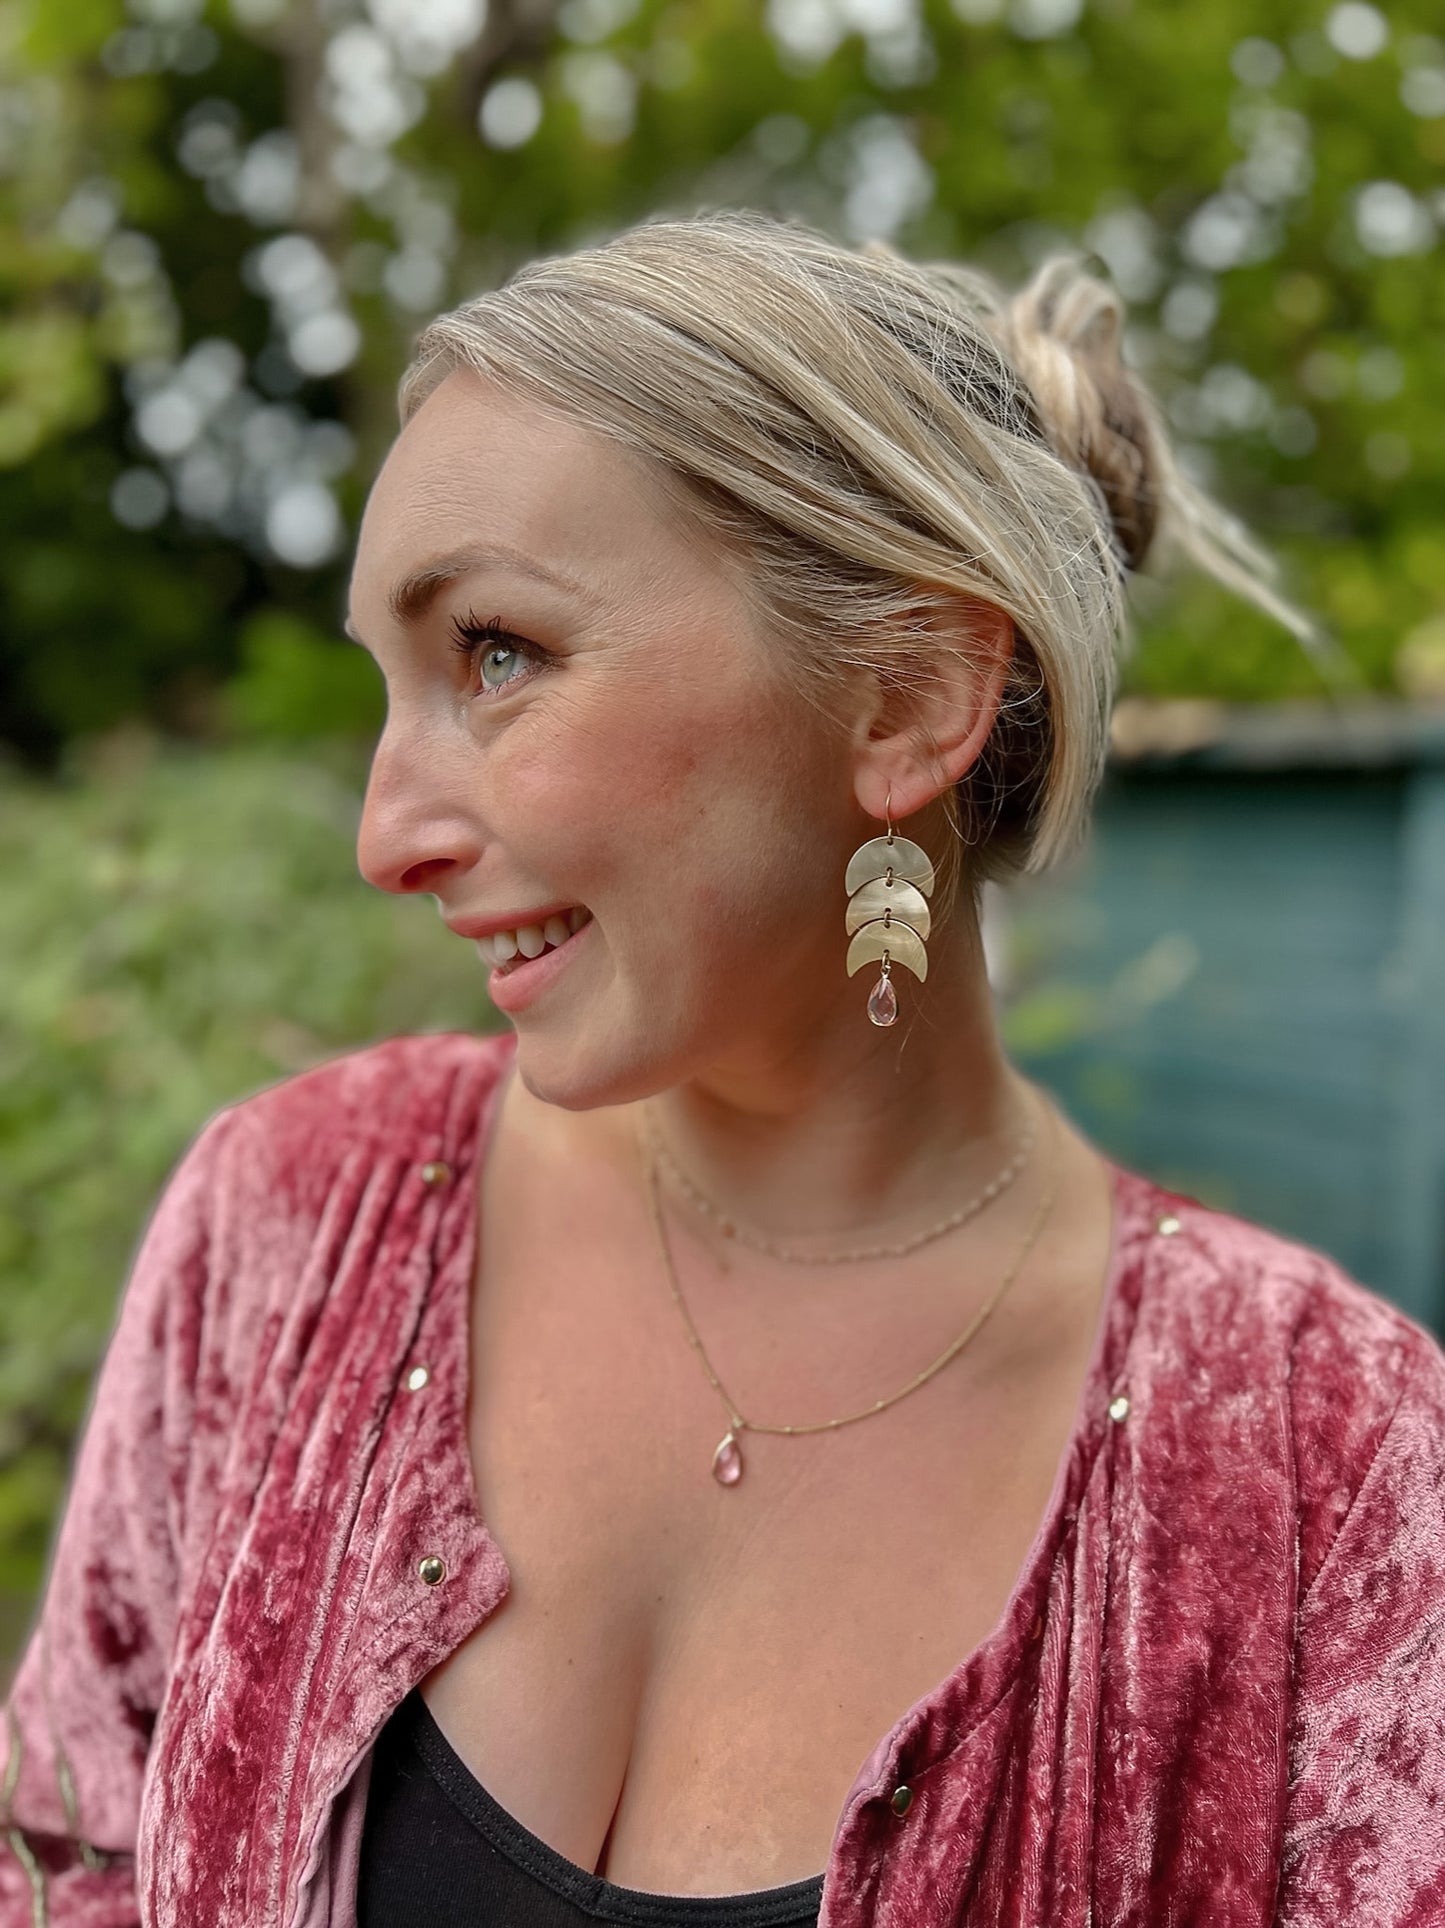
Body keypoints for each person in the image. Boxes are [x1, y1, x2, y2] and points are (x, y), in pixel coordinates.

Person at [3, 208, 1443, 1928]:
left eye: (498, 654)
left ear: (906, 694)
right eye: (388, 690)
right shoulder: (292, 1223)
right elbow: (65, 1855)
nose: (386, 835)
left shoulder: (1335, 1472)